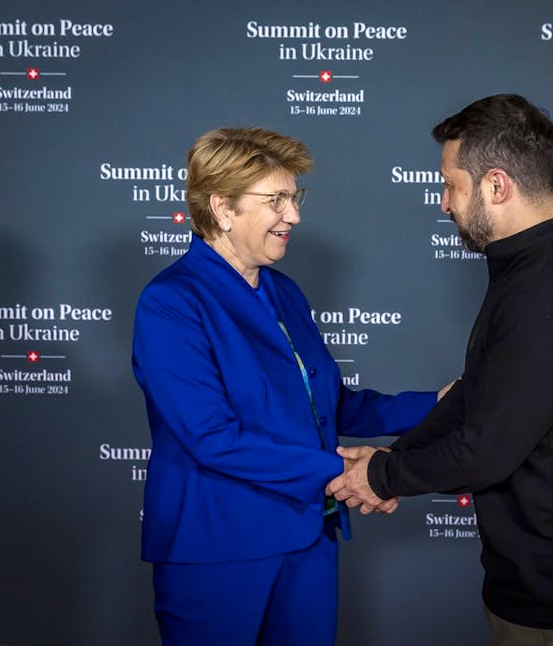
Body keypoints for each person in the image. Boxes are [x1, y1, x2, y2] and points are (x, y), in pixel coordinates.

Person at [327, 95, 553, 645]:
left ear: (496, 186)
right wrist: (394, 458)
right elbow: (478, 393)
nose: (442, 203)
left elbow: (487, 450)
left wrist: (381, 477)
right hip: (539, 586)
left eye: (451, 184)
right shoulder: (535, 265)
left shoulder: (546, 290)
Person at [132, 127, 444, 646]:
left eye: (294, 197)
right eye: (275, 200)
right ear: (223, 208)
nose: (293, 215)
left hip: (308, 536)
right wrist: (345, 471)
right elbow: (212, 437)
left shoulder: (284, 291)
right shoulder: (171, 302)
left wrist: (437, 405)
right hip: (220, 547)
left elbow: (327, 408)